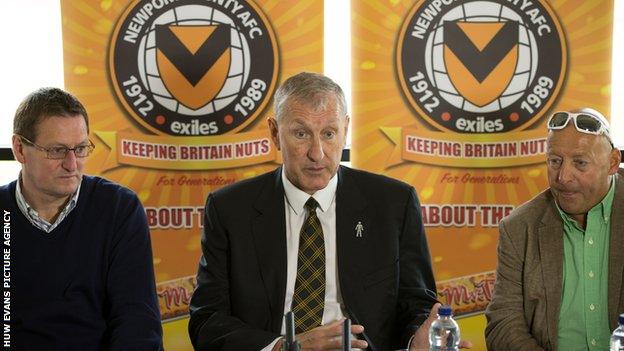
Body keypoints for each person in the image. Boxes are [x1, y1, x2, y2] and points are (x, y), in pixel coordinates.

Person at [189, 72, 472, 351]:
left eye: (329, 134)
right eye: (301, 134)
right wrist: (285, 347)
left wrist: (416, 342)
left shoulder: (394, 203)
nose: (317, 153)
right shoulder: (230, 209)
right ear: (275, 133)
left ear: (345, 130)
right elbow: (207, 321)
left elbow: (416, 303)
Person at [0, 87, 163, 349]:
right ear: (20, 149)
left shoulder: (118, 209)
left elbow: (138, 323)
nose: (72, 164)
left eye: (81, 148)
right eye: (57, 150)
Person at [485, 108, 624, 350]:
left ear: (612, 162)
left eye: (580, 163)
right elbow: (503, 324)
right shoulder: (519, 227)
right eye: (555, 161)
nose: (563, 176)